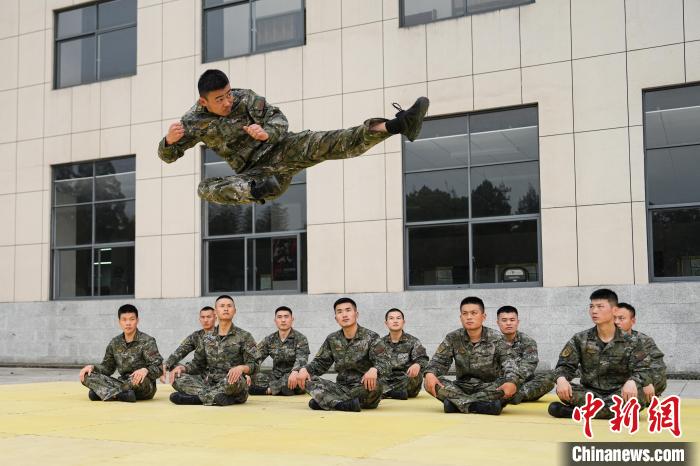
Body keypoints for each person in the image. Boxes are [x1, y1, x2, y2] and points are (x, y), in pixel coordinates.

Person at [158, 69, 429, 205]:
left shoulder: (245, 98)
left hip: (281, 148)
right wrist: (169, 142)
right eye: (220, 99)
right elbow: (168, 157)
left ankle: (398, 125)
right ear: (203, 102)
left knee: (329, 142)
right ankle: (256, 191)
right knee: (203, 189)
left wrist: (266, 133)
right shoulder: (192, 122)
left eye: (228, 94)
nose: (228, 102)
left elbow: (279, 119)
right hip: (255, 173)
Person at [549, 289, 651, 419]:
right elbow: (564, 366)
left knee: (639, 395)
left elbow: (644, 369)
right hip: (589, 392)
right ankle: (615, 412)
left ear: (614, 310)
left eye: (600, 307)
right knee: (563, 390)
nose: (594, 311)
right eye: (591, 306)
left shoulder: (632, 340)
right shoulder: (580, 339)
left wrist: (632, 381)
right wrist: (561, 379)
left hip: (620, 392)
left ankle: (576, 412)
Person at [424, 297, 521, 415]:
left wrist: (511, 381)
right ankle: (481, 406)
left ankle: (457, 404)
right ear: (461, 317)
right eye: (465, 314)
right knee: (430, 382)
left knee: (511, 385)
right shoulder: (453, 337)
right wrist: (430, 374)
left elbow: (510, 364)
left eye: (474, 313)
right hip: (462, 387)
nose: (469, 317)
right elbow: (438, 361)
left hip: (489, 387)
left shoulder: (497, 338)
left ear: (483, 316)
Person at [296, 298, 391, 412]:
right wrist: (305, 370)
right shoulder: (332, 339)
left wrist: (374, 369)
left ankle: (327, 401)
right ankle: (342, 404)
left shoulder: (371, 337)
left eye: (348, 310)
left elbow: (385, 362)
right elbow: (320, 363)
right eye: (339, 312)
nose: (344, 315)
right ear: (336, 318)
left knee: (376, 385)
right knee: (307, 379)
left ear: (356, 314)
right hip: (340, 387)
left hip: (363, 387)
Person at [168, 295, 258, 406]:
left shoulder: (245, 336)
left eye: (229, 306)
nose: (226, 309)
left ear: (234, 311)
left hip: (233, 384)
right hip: (209, 383)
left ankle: (196, 399)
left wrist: (241, 368)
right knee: (178, 377)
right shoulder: (206, 338)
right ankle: (218, 397)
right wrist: (183, 368)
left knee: (235, 379)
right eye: (222, 306)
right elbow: (197, 365)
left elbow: (255, 364)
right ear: (216, 312)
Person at [79, 304, 163, 402]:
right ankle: (122, 395)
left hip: (143, 384)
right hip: (122, 382)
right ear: (119, 322)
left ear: (137, 320)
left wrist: (145, 370)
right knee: (87, 376)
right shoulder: (115, 342)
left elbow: (159, 368)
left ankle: (104, 392)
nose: (128, 323)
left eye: (132, 319)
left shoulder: (147, 341)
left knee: (136, 379)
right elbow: (107, 368)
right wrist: (93, 367)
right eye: (124, 319)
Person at [495, 305, 554, 404]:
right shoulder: (491, 341)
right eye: (504, 320)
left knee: (550, 378)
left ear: (517, 322)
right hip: (499, 382)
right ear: (498, 323)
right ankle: (505, 394)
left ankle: (516, 396)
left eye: (512, 320)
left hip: (520, 382)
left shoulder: (528, 342)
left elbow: (528, 367)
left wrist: (512, 383)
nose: (508, 323)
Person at [249, 306, 310, 396]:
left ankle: (268, 390)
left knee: (303, 380)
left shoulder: (301, 338)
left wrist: (295, 371)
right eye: (279, 317)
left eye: (286, 316)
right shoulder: (269, 339)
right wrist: (248, 372)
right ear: (275, 320)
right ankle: (282, 389)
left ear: (292, 319)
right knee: (254, 377)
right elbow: (256, 357)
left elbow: (302, 359)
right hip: (275, 377)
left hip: (293, 375)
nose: (283, 320)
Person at [614, 302, 667, 402]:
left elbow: (658, 368)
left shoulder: (644, 341)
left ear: (632, 321)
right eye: (613, 318)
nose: (616, 322)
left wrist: (646, 381)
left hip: (638, 384)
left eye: (621, 318)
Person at [381, 308, 429, 399]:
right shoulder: (379, 343)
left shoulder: (413, 341)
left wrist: (417, 365)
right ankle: (394, 393)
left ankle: (386, 392)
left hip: (406, 379)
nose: (395, 321)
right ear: (386, 323)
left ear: (403, 322)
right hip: (387, 380)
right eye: (391, 318)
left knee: (415, 376)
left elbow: (423, 359)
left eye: (398, 318)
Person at [163, 306, 216, 381]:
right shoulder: (196, 336)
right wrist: (166, 366)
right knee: (175, 372)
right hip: (199, 374)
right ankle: (201, 390)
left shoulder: (222, 335)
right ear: (199, 319)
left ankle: (199, 391)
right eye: (202, 317)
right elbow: (180, 351)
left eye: (208, 317)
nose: (205, 320)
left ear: (215, 318)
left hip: (217, 376)